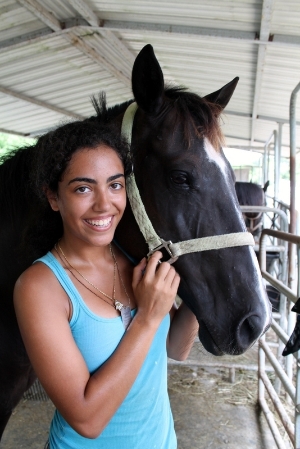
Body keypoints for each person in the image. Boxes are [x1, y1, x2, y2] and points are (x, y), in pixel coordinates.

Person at [13, 119, 199, 449]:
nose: (104, 204)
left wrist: (203, 280)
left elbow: (174, 349)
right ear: (54, 197)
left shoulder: (133, 258)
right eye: (83, 188)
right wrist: (146, 318)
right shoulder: (40, 287)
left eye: (114, 185)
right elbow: (87, 419)